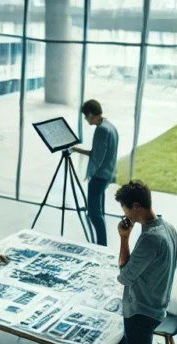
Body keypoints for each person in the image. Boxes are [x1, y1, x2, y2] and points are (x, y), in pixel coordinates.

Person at [103, 180, 177, 344]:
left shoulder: (149, 239)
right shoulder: (168, 228)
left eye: (125, 209)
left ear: (136, 207)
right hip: (158, 306)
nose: (124, 214)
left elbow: (124, 276)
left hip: (141, 312)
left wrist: (124, 239)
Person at [72, 100, 118, 246]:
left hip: (99, 176)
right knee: (100, 211)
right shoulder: (110, 126)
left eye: (86, 117)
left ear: (91, 115)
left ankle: (101, 246)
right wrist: (77, 149)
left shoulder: (101, 130)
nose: (85, 120)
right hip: (107, 174)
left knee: (94, 214)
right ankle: (101, 244)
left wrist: (75, 149)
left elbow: (96, 156)